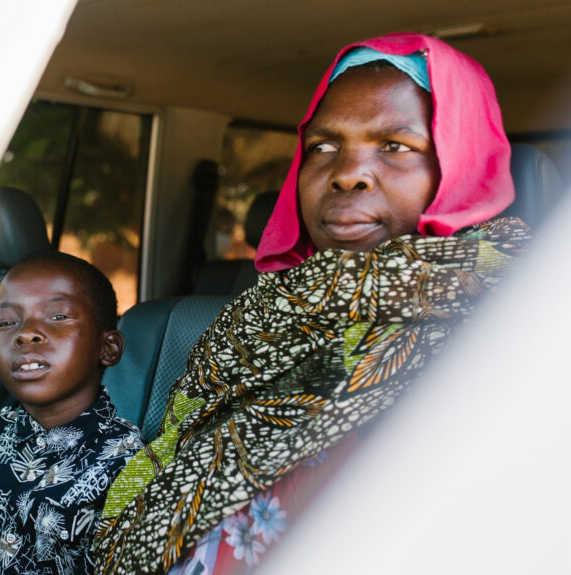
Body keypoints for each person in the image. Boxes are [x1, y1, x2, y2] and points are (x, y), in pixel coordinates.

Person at [93, 33, 531, 575]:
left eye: (395, 146)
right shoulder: (261, 313)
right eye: (323, 147)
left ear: (460, 166)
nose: (347, 172)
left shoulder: (524, 328)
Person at [0, 250, 143, 575]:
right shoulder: (1, 429)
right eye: (7, 322)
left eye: (58, 316)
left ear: (107, 348)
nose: (25, 333)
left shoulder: (129, 466)